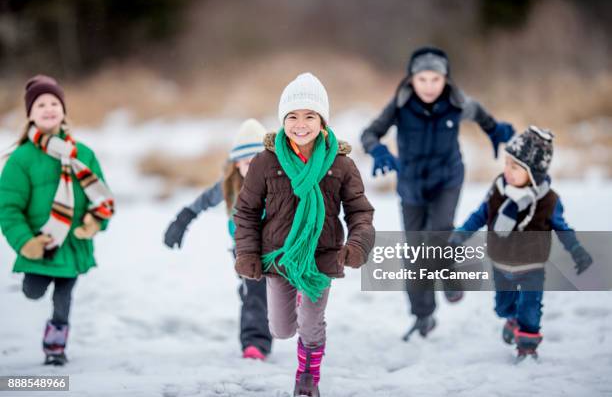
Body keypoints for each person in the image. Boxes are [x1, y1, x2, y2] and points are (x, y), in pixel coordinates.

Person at [233, 73, 375, 396]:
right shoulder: (265, 162)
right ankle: (293, 302)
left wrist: (357, 245)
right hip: (280, 257)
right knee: (281, 329)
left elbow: (360, 211)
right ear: (283, 120)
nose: (301, 124)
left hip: (321, 258)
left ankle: (308, 378)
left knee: (311, 325)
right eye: (293, 117)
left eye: (310, 116)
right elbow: (246, 211)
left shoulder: (340, 164)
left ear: (322, 120)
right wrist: (247, 253)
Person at [361, 46, 515, 338]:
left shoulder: (456, 103)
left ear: (446, 79)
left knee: (439, 232)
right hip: (411, 185)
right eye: (423, 80)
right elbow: (369, 133)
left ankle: (449, 273)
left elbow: (479, 112)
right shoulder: (400, 104)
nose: (429, 86)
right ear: (411, 80)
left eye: (435, 79)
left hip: (447, 178)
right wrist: (378, 149)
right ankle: (423, 315)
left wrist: (494, 130)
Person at [450, 125, 593, 360]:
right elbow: (479, 215)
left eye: (515, 167)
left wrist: (576, 250)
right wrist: (459, 236)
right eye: (506, 163)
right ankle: (511, 319)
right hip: (501, 265)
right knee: (502, 308)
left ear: (533, 172)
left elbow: (563, 228)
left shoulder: (548, 200)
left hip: (532, 267)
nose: (508, 170)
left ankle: (527, 347)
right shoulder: (498, 190)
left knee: (530, 310)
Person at [0, 75, 114, 365]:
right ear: (30, 114)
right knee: (33, 291)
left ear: (63, 110)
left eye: (54, 102)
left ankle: (55, 348)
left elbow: (101, 195)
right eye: (41, 104)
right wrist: (26, 243)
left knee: (63, 298)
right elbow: (8, 207)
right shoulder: (22, 159)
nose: (49, 108)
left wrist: (94, 221)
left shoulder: (82, 153)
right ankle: (33, 278)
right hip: (42, 242)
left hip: (72, 243)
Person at [164, 118, 273, 360]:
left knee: (275, 294)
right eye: (247, 162)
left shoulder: (279, 184)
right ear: (236, 165)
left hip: (279, 251)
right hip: (245, 252)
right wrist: (182, 219)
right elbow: (201, 202)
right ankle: (254, 342)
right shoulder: (229, 188)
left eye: (260, 161)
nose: (254, 168)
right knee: (253, 294)